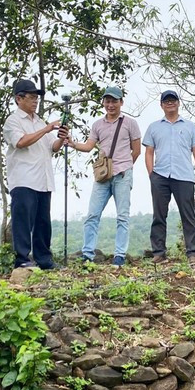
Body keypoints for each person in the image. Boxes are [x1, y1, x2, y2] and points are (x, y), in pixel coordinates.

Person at [67, 86, 141, 268]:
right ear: (103, 103)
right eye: (107, 101)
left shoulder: (130, 123)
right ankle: (87, 254)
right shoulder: (97, 125)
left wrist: (125, 166)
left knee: (122, 216)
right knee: (92, 214)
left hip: (122, 174)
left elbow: (137, 150)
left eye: (114, 101)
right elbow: (89, 146)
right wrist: (72, 143)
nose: (110, 105)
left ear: (121, 102)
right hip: (103, 176)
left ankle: (119, 255)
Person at [4, 79, 67, 269]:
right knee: (23, 221)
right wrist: (47, 128)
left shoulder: (39, 121)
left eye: (37, 98)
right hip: (24, 179)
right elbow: (21, 142)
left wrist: (61, 138)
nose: (35, 101)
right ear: (19, 98)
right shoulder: (13, 120)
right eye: (31, 97)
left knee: (42, 221)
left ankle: (44, 259)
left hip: (43, 179)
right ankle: (22, 259)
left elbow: (52, 147)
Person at [142, 90, 195, 264]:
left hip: (184, 176)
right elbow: (149, 152)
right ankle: (159, 253)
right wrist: (151, 174)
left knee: (188, 215)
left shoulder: (189, 126)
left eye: (173, 100)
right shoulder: (154, 127)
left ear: (178, 103)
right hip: (160, 175)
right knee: (159, 215)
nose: (170, 103)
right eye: (166, 101)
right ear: (161, 105)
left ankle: (193, 253)